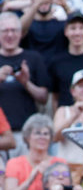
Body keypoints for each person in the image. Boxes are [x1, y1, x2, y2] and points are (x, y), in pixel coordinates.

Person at [0, 11, 49, 140]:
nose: (10, 35)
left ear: (21, 33)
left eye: (14, 30)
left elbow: (44, 98)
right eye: (5, 31)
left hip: (27, 134)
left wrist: (25, 83)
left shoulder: (34, 58)